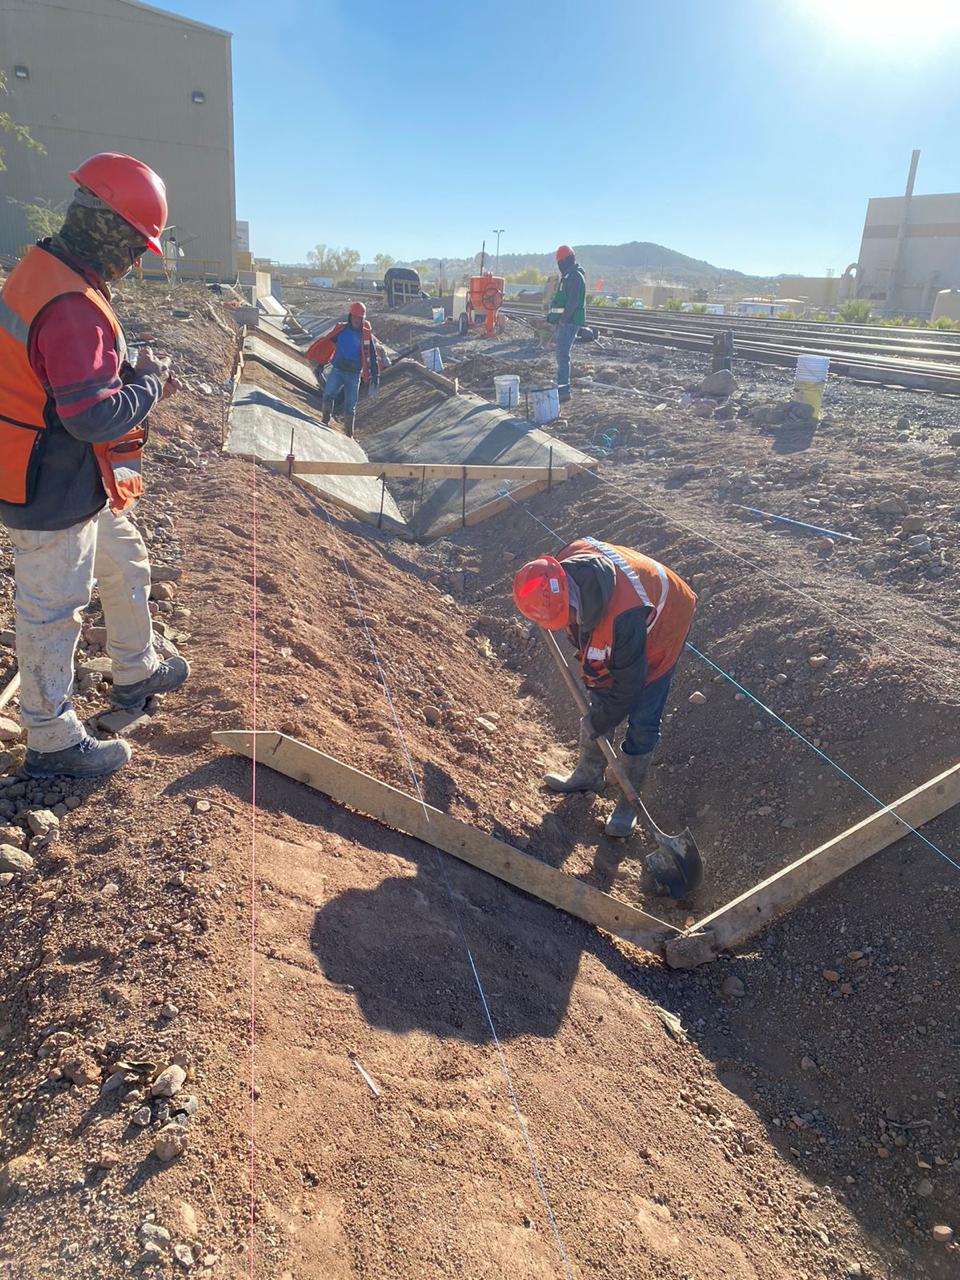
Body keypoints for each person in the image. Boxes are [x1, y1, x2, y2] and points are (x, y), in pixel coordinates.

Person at [0, 151, 190, 780]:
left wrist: (129, 374)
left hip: (68, 475)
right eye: (135, 247)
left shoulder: (49, 269)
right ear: (110, 228)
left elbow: (65, 375)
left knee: (125, 561)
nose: (134, 261)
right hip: (48, 485)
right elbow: (90, 416)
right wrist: (150, 385)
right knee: (53, 609)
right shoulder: (71, 302)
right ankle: (51, 737)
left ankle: (136, 667)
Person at [512, 537, 696, 839]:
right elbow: (595, 659)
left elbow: (628, 687)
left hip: (666, 618)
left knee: (644, 716)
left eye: (565, 618)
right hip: (621, 613)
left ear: (573, 602)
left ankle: (628, 803)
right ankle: (588, 774)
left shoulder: (624, 616)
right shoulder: (560, 568)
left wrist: (598, 722)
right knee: (598, 672)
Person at [306, 301, 383, 439]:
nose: (356, 320)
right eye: (355, 317)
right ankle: (325, 419)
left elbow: (372, 356)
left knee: (350, 405)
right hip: (338, 370)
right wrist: (321, 364)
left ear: (363, 319)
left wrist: (375, 376)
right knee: (328, 394)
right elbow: (328, 346)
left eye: (359, 318)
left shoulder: (366, 336)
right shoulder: (341, 330)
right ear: (350, 316)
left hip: (354, 375)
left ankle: (349, 434)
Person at [546, 246, 586, 404]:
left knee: (562, 355)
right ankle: (562, 389)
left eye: (559, 262)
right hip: (566, 321)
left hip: (569, 322)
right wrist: (554, 318)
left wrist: (562, 320)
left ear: (563, 261)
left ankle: (563, 391)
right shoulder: (569, 275)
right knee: (561, 355)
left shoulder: (574, 276)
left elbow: (573, 302)